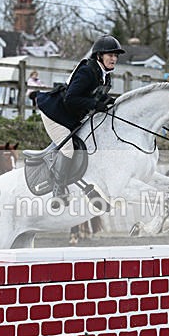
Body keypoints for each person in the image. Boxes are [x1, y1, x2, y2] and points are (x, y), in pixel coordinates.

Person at [36, 34, 123, 207]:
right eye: (110, 55)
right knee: (68, 150)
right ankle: (58, 190)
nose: (114, 58)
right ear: (99, 56)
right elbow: (71, 98)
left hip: (71, 116)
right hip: (55, 114)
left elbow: (95, 98)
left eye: (115, 55)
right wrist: (95, 104)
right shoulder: (87, 71)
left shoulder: (105, 75)